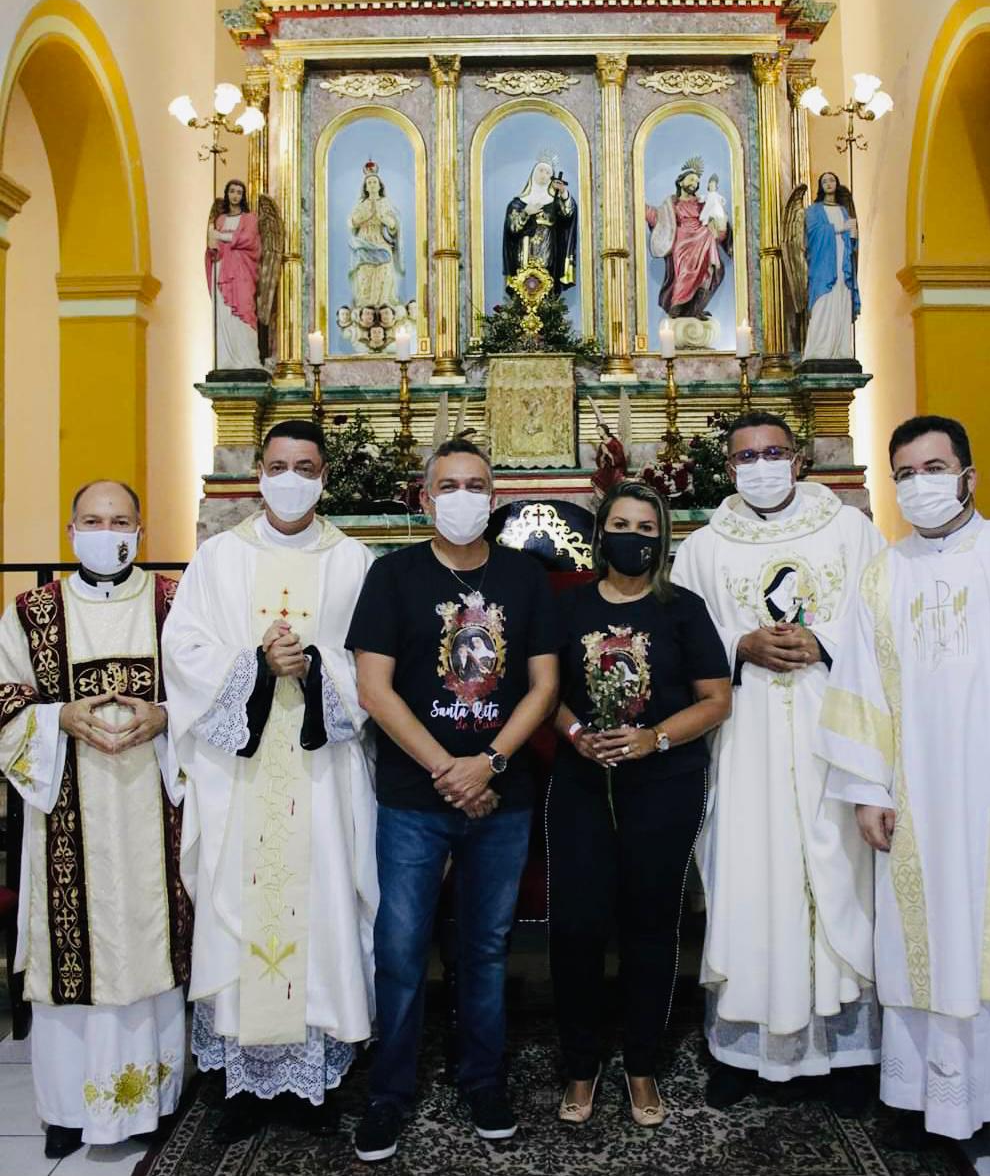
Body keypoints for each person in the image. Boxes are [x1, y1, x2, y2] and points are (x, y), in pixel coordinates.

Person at [818, 415, 990, 1176]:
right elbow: (860, 688)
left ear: (968, 475)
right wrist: (867, 787)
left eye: (934, 468)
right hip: (919, 801)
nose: (919, 484)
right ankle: (933, 1102)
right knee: (921, 948)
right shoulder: (881, 575)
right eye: (905, 472)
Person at [162, 420, 378, 1140]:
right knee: (239, 911)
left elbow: (375, 665)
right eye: (279, 465)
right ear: (259, 471)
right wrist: (255, 665)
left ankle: (310, 1087)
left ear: (325, 476)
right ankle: (243, 1087)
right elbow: (183, 648)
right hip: (241, 775)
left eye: (306, 467)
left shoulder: (353, 563)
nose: (291, 479)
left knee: (321, 909)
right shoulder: (219, 558)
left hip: (321, 775)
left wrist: (314, 665)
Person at [347, 438, 559, 1162]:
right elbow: (373, 688)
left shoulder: (525, 577)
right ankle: (389, 1091)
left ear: (493, 499)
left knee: (487, 947)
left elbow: (544, 686)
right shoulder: (392, 576)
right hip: (415, 794)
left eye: (476, 485)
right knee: (400, 947)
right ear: (425, 497)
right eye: (450, 485)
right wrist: (450, 770)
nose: (463, 497)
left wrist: (489, 763)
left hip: (503, 792)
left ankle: (483, 1080)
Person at [671, 411, 885, 1111]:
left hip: (832, 735)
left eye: (773, 452)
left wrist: (823, 642)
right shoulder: (703, 547)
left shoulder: (850, 531)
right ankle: (744, 1050)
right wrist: (739, 644)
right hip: (745, 742)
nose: (760, 466)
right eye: (745, 456)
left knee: (841, 877)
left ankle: (848, 1054)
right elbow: (677, 637)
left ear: (797, 459)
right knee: (747, 877)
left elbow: (882, 620)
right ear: (728, 467)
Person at [0, 480, 190, 1158]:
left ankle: (154, 1105)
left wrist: (165, 717)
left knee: (150, 943)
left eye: (119, 521)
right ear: (70, 530)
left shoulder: (175, 603)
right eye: (92, 520)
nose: (106, 532)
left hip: (151, 806)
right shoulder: (32, 613)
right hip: (65, 810)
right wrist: (57, 717)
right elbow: (5, 694)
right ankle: (66, 1110)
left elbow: (208, 694)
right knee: (69, 953)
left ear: (140, 529)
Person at [549, 480, 731, 1128]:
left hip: (664, 785)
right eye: (621, 525)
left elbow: (716, 699)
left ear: (663, 538)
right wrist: (576, 732)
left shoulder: (684, 609)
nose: (633, 538)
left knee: (651, 926)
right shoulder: (568, 608)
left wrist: (655, 737)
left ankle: (642, 1063)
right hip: (582, 786)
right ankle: (581, 1063)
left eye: (646, 528)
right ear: (601, 535)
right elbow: (545, 692)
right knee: (577, 928)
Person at [645, 156, 730, 321]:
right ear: (680, 182)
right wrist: (640, 204)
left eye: (697, 181)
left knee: (710, 271)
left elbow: (715, 215)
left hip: (703, 239)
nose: (695, 183)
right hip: (682, 242)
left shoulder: (701, 202)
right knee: (685, 273)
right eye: (691, 179)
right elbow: (657, 217)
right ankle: (677, 304)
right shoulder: (672, 204)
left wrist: (719, 223)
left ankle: (696, 308)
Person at [206, 178, 264, 371]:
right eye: (232, 191)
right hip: (222, 271)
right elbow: (214, 248)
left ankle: (248, 359)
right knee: (224, 313)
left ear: (243, 196)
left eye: (239, 192)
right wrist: (212, 247)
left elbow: (249, 240)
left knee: (244, 309)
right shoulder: (220, 220)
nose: (235, 196)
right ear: (227, 193)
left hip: (242, 273)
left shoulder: (250, 218)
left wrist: (221, 236)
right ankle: (226, 361)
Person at [802, 171, 860, 361]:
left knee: (842, 299)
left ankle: (841, 349)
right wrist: (839, 228)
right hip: (823, 266)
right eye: (825, 181)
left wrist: (853, 236)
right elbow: (813, 233)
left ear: (837, 183)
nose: (828, 183)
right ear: (820, 186)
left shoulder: (843, 210)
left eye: (832, 180)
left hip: (842, 264)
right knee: (823, 304)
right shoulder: (814, 210)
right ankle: (819, 350)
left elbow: (851, 241)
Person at [502, 157, 577, 294]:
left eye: (548, 172)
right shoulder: (518, 203)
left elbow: (568, 215)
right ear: (533, 173)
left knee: (547, 290)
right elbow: (512, 229)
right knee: (523, 291)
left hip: (549, 254)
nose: (544, 174)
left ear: (551, 178)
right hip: (523, 255)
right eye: (541, 170)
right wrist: (526, 212)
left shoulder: (555, 202)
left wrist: (563, 193)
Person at [348, 160, 402, 311]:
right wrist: (365, 215)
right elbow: (351, 222)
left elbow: (394, 224)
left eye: (374, 182)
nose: (372, 185)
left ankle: (383, 306)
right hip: (365, 242)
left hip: (381, 242)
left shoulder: (385, 202)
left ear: (379, 186)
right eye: (369, 183)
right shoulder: (361, 204)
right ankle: (366, 309)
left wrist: (386, 219)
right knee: (365, 275)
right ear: (365, 187)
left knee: (384, 272)